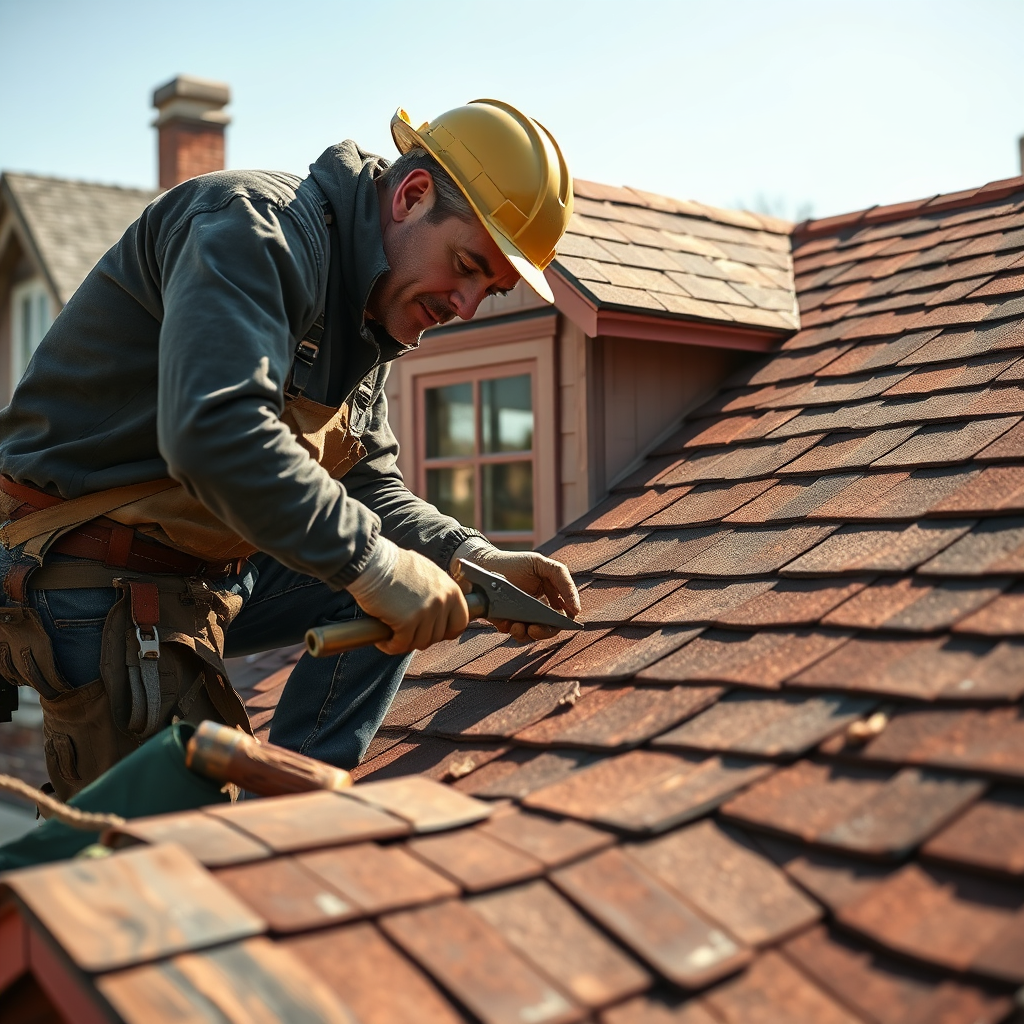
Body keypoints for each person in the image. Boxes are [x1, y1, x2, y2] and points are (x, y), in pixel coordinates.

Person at [0, 100, 579, 800]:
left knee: (415, 574)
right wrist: (370, 563)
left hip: (196, 569)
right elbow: (215, 430)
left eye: (490, 289)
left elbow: (364, 483)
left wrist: (467, 555)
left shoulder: (370, 309)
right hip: (82, 563)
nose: (466, 305)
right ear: (412, 194)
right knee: (173, 859)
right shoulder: (252, 229)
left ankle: (299, 805)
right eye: (466, 266)